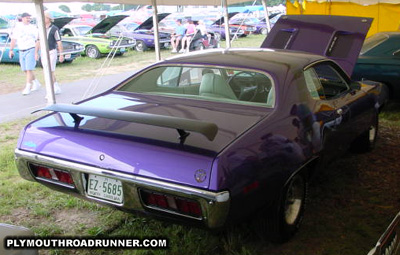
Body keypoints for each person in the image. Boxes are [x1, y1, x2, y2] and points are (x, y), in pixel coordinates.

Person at [9, 12, 41, 95]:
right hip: (21, 49)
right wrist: (11, 50)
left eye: (29, 18)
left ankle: (28, 87)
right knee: (24, 69)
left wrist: (36, 51)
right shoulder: (17, 27)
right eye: (27, 18)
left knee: (29, 69)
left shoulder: (33, 28)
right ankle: (36, 82)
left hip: (31, 48)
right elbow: (13, 39)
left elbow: (38, 39)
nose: (28, 19)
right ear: (22, 18)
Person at [35, 11, 64, 95]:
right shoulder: (40, 28)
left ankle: (51, 90)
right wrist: (36, 52)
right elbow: (38, 41)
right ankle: (55, 86)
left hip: (51, 51)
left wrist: (61, 54)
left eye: (44, 17)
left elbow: (59, 42)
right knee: (47, 70)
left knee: (50, 71)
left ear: (49, 19)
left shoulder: (54, 29)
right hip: (43, 52)